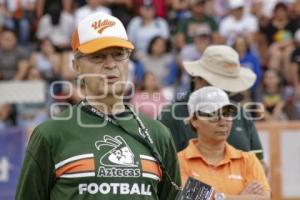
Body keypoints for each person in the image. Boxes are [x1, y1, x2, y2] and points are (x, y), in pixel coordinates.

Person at [16, 12, 180, 200]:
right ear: (76, 66)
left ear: (129, 61)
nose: (110, 64)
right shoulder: (49, 135)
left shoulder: (159, 134)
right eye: (98, 56)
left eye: (119, 55)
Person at [159, 45, 265, 161]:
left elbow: (260, 163)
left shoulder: (242, 114)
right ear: (199, 79)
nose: (226, 91)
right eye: (221, 84)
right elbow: (162, 167)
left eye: (229, 86)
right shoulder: (171, 116)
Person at [178, 86, 271, 200]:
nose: (223, 122)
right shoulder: (178, 162)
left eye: (227, 114)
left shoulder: (248, 160)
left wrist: (217, 197)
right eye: (213, 114)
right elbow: (190, 197)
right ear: (194, 120)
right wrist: (241, 197)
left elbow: (264, 198)